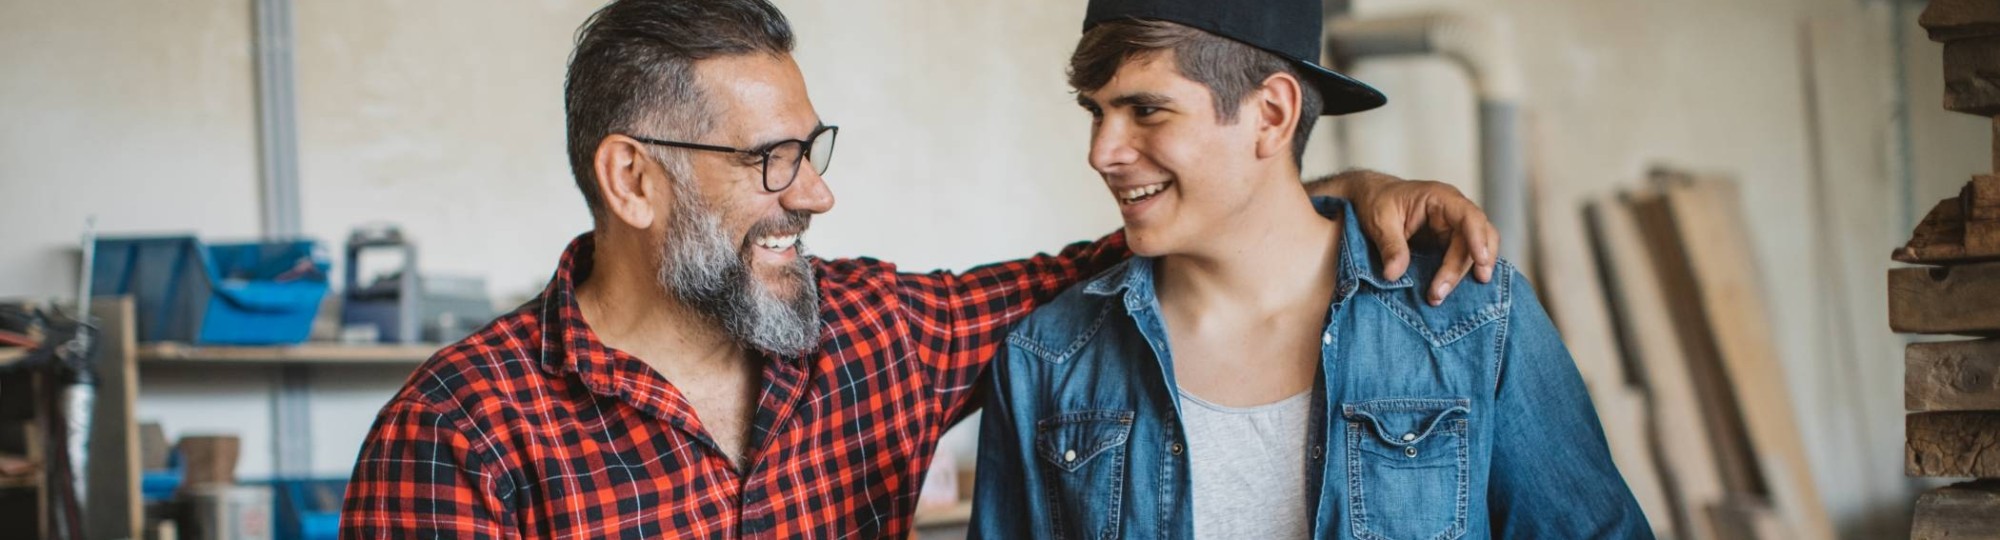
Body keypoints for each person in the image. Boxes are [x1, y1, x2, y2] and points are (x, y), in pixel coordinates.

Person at [338, 0, 1499, 538]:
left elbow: (1110, 256)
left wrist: (1315, 189)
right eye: (771, 161)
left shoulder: (872, 335)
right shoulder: (461, 435)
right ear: (632, 181)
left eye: (812, 149)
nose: (816, 193)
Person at [969, 0, 1651, 538]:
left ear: (1271, 114)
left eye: (1146, 110)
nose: (1102, 152)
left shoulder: (1470, 318)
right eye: (1096, 112)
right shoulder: (1046, 360)